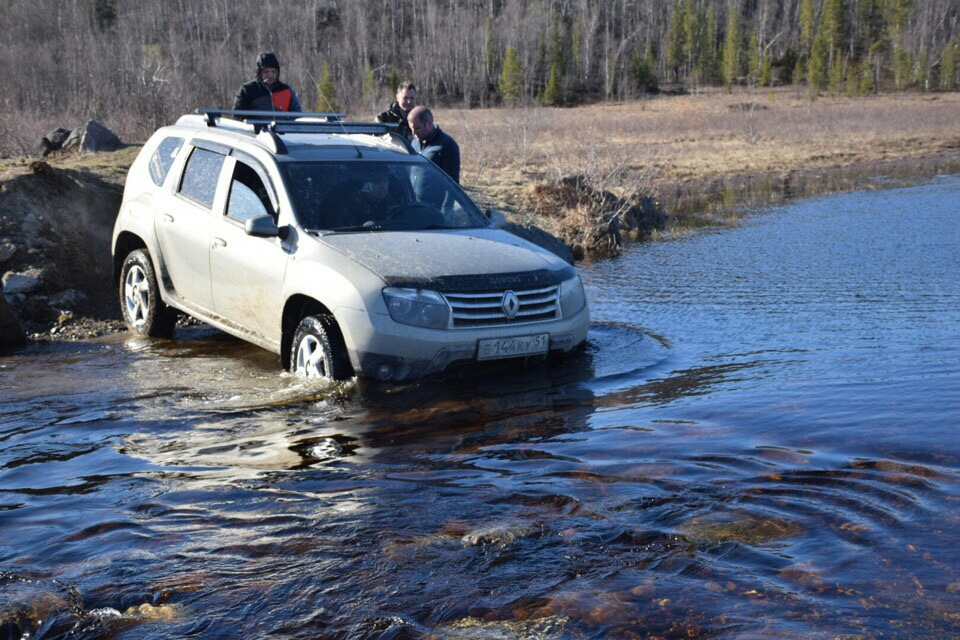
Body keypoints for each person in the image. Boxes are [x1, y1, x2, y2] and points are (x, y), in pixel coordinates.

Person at [233, 52, 302, 112]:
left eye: (273, 71)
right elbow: (238, 116)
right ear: (259, 73)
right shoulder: (247, 90)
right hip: (255, 126)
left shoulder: (286, 90)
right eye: (266, 72)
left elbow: (296, 114)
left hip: (281, 126)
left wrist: (287, 125)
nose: (270, 75)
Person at [408, 106, 460, 183]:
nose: (413, 133)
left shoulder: (447, 145)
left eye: (417, 128)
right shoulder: (414, 142)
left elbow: (452, 182)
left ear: (429, 123)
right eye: (411, 128)